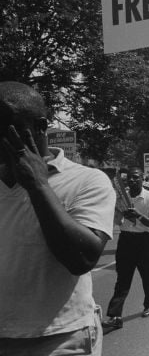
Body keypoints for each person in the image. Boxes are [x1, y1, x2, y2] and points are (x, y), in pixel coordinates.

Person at [0, 81, 115, 355]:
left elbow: (81, 259)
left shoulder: (87, 180)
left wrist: (38, 185)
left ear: (40, 126)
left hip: (60, 340)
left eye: (5, 122)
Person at [102, 166, 149, 328]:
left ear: (143, 179)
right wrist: (119, 214)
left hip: (146, 240)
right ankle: (115, 316)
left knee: (147, 276)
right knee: (122, 279)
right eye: (129, 177)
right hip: (126, 240)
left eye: (136, 177)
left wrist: (137, 215)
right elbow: (118, 222)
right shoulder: (122, 199)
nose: (132, 180)